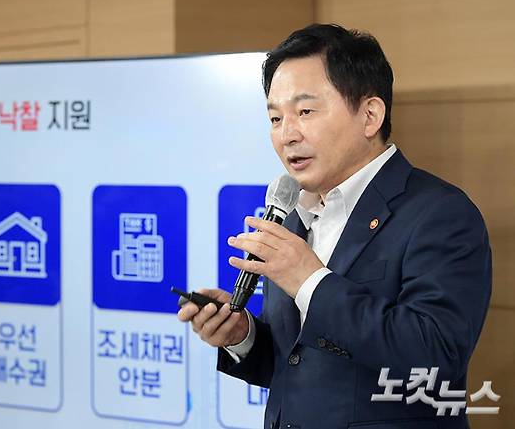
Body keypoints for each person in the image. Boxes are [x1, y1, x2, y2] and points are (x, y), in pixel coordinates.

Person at [177, 24, 491, 429]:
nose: (286, 135)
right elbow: (302, 365)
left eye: (305, 112)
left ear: (370, 115)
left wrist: (310, 281)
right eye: (275, 117)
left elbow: (436, 357)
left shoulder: (440, 213)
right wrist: (243, 336)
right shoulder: (294, 215)